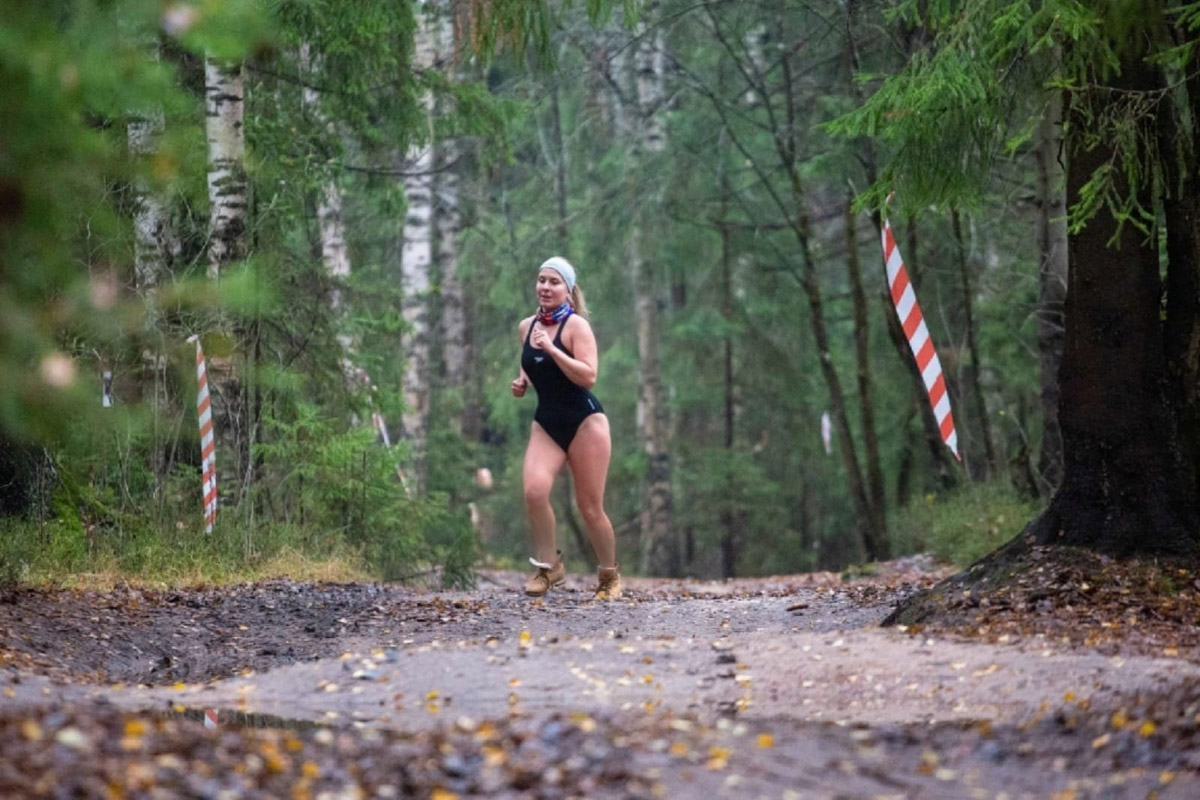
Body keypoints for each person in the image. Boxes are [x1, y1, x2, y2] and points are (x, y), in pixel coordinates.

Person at [511, 257, 621, 600]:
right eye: (541, 280)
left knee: (590, 507)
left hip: (585, 422)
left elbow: (588, 376)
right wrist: (523, 381)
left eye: (554, 282)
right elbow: (532, 363)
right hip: (547, 422)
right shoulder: (527, 327)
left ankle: (609, 576)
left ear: (568, 291)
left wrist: (551, 349)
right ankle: (548, 568)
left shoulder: (576, 327)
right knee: (534, 491)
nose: (545, 287)